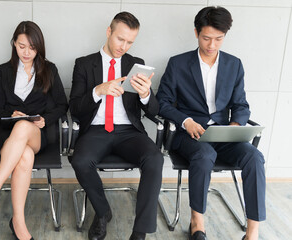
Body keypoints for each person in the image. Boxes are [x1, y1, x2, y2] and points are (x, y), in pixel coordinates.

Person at [156, 6, 265, 240]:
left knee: (254, 157)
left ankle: (252, 231)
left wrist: (236, 124)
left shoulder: (234, 65)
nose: (212, 45)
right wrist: (185, 121)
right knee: (204, 156)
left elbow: (241, 105)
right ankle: (197, 221)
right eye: (206, 38)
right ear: (196, 33)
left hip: (223, 134)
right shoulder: (178, 64)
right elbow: (162, 103)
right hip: (189, 134)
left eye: (219, 39)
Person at [0, 21, 68, 240]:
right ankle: (19, 223)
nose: (26, 52)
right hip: (7, 136)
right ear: (14, 43)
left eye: (32, 48)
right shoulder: (4, 71)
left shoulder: (49, 70)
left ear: (38, 48)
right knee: (24, 156)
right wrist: (11, 113)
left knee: (25, 126)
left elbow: (62, 105)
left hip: (38, 135)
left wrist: (45, 119)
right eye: (22, 46)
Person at [69, 12, 164, 240]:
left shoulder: (136, 65)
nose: (124, 46)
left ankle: (140, 231)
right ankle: (102, 213)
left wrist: (144, 95)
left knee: (155, 158)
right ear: (108, 31)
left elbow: (154, 110)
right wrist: (98, 91)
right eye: (120, 39)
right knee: (80, 160)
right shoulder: (84, 64)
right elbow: (75, 108)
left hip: (128, 131)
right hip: (96, 130)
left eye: (130, 41)